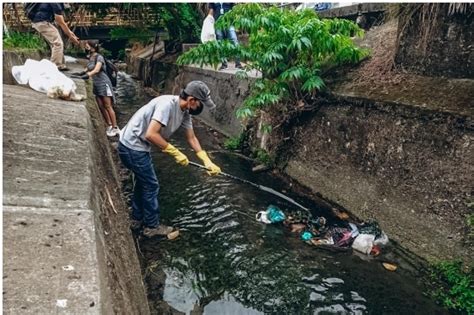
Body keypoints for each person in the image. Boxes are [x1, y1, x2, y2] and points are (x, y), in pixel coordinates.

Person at [118, 81, 222, 238]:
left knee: (143, 182)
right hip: (131, 146)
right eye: (201, 103)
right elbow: (151, 134)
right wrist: (175, 152)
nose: (201, 108)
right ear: (192, 100)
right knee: (151, 185)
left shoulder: (185, 112)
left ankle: (137, 218)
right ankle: (151, 227)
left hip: (137, 146)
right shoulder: (167, 105)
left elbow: (192, 138)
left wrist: (206, 160)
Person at [80, 40, 120, 137]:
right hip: (96, 84)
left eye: (87, 45)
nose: (86, 47)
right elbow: (88, 68)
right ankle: (109, 125)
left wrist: (88, 75)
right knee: (101, 106)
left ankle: (115, 128)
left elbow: (97, 69)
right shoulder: (91, 57)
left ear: (92, 46)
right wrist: (81, 73)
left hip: (103, 83)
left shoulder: (99, 57)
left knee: (107, 105)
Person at [29, 3, 80, 71]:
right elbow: (60, 21)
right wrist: (70, 35)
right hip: (42, 22)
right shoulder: (57, 3)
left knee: (57, 42)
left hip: (41, 21)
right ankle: (55, 66)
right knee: (58, 43)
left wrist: (70, 33)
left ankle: (61, 64)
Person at [208, 3, 243, 70]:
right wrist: (207, 20)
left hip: (229, 22)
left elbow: (235, 9)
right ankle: (224, 65)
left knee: (234, 41)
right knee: (220, 43)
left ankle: (238, 64)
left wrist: (237, 24)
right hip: (218, 23)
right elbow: (211, 11)